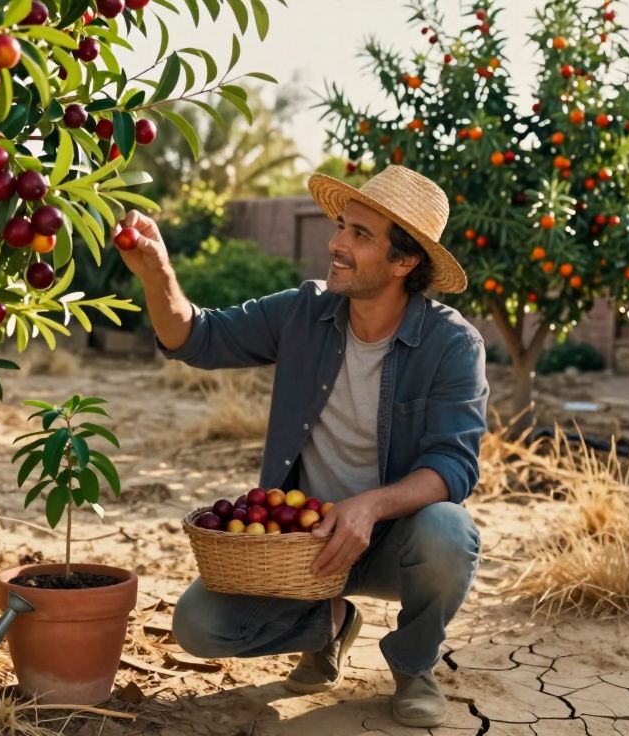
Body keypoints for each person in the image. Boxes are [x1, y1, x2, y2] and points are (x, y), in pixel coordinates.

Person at [115, 165, 487, 728]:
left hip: (394, 541)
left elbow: (453, 465)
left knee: (449, 533)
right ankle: (329, 624)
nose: (336, 244)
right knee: (199, 626)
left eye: (360, 235)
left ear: (405, 260)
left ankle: (414, 667)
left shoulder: (452, 344)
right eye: (342, 226)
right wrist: (157, 274)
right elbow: (197, 336)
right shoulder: (303, 311)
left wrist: (371, 506)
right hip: (303, 546)